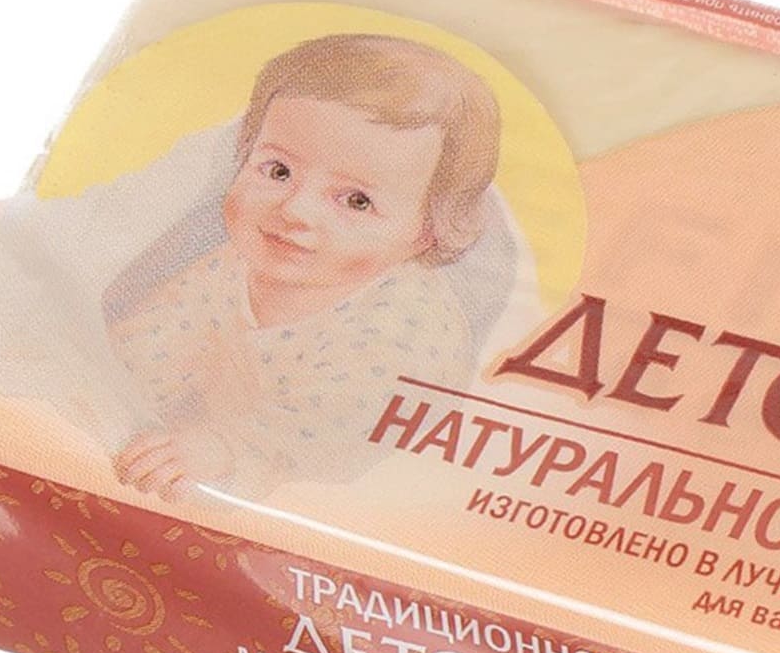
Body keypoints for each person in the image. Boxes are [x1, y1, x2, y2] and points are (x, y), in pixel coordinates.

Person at [107, 33, 502, 501]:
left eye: (356, 201)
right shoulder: (239, 266)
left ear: (425, 233)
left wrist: (221, 451)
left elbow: (330, 443)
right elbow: (146, 349)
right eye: (279, 171)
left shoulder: (404, 326)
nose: (295, 210)